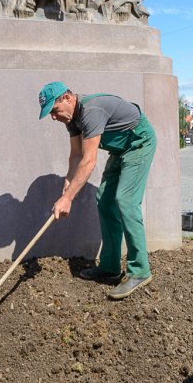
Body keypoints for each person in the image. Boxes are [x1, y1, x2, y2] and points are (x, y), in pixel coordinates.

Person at [39, 81, 156, 300]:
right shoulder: (72, 119)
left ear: (67, 98)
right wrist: (69, 180)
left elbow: (89, 161)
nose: (53, 117)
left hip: (138, 143)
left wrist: (68, 198)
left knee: (126, 201)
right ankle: (110, 267)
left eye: (54, 110)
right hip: (120, 151)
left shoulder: (91, 111)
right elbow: (76, 155)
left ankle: (140, 271)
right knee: (104, 200)